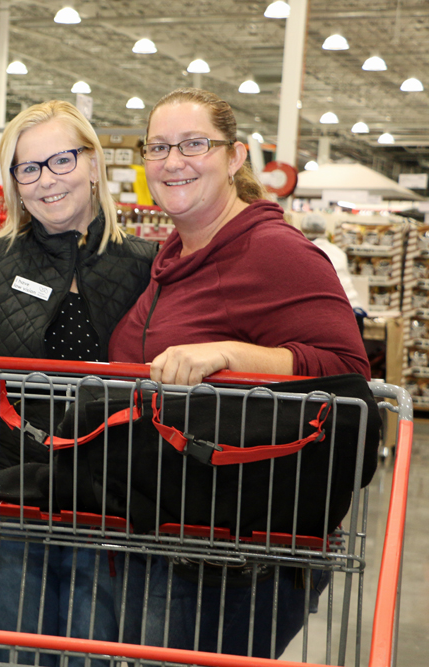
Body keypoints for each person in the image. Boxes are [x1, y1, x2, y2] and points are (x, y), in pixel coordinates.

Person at [107, 87, 371, 659]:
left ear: (235, 157)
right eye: (158, 147)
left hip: (238, 550)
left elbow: (349, 372)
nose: (173, 161)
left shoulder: (275, 251)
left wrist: (230, 353)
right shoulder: (173, 254)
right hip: (175, 528)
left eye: (194, 144)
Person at [0, 100, 157, 664]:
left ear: (93, 165)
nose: (47, 180)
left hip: (108, 492)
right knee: (23, 649)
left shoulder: (148, 263)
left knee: (95, 647)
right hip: (8, 488)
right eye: (29, 168)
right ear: (16, 183)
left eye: (61, 160)